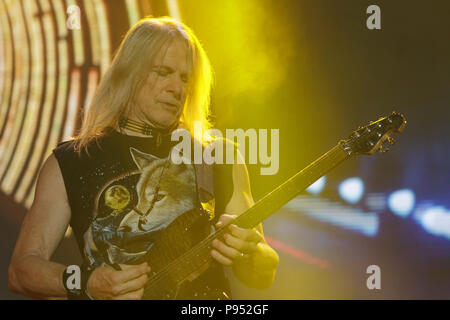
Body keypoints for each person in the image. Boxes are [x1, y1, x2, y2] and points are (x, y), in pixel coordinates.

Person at [8, 17, 279, 300]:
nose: (177, 88)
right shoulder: (71, 161)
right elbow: (21, 270)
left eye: (185, 78)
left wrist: (252, 251)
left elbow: (263, 275)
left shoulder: (218, 156)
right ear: (130, 73)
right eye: (164, 72)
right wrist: (86, 283)